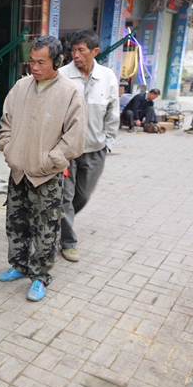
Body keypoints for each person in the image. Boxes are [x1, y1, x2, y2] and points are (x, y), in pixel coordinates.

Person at [0, 36, 87, 301]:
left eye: (40, 62)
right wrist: (9, 149)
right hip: (19, 172)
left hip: (46, 175)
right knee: (16, 223)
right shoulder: (21, 87)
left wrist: (50, 160)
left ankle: (40, 277)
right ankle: (19, 265)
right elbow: (6, 123)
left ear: (56, 61)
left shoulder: (69, 92)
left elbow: (75, 137)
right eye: (31, 61)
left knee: (45, 229)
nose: (33, 67)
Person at [58, 29, 120, 262]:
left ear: (95, 51)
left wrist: (109, 143)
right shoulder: (62, 74)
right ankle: (67, 242)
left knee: (82, 196)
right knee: (65, 197)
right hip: (67, 151)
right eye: (72, 50)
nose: (75, 55)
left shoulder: (107, 76)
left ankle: (58, 221)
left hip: (96, 149)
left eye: (80, 50)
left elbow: (113, 113)